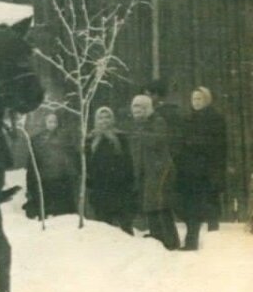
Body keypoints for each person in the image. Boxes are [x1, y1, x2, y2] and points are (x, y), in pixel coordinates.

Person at [177, 87, 228, 250]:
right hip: (191, 171)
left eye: (199, 99)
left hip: (209, 170)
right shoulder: (188, 118)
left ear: (207, 100)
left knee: (211, 207)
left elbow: (220, 146)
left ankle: (215, 245)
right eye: (194, 99)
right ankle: (191, 242)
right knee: (192, 207)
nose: (196, 102)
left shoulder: (216, 119)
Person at [128, 94, 180, 250]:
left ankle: (170, 241)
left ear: (147, 108)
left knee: (160, 205)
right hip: (147, 171)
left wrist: (141, 135)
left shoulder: (157, 121)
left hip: (160, 170)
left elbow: (158, 140)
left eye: (140, 107)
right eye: (134, 107)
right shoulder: (138, 125)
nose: (137, 111)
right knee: (150, 205)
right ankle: (157, 236)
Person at [85, 106, 136, 234]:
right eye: (101, 118)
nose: (104, 120)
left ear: (112, 119)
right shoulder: (90, 138)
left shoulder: (120, 137)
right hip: (99, 187)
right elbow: (87, 162)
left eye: (107, 117)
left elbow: (128, 161)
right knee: (103, 224)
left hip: (118, 186)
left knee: (124, 223)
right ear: (96, 120)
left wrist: (127, 181)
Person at [24, 111, 79, 219]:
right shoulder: (37, 140)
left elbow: (71, 159)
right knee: (45, 213)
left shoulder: (65, 138)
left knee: (62, 214)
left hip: (61, 182)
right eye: (50, 121)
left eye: (54, 121)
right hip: (45, 182)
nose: (52, 124)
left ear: (58, 123)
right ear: (45, 123)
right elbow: (32, 165)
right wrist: (30, 186)